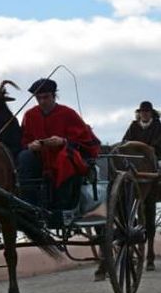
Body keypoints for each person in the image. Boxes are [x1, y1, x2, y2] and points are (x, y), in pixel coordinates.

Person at [18, 78, 101, 208]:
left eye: (46, 97)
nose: (42, 101)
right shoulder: (30, 115)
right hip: (40, 158)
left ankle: (63, 204)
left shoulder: (68, 113)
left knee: (65, 159)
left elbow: (85, 140)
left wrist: (63, 141)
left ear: (54, 96)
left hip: (64, 154)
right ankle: (29, 204)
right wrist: (30, 145)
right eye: (38, 98)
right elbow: (24, 139)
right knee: (24, 157)